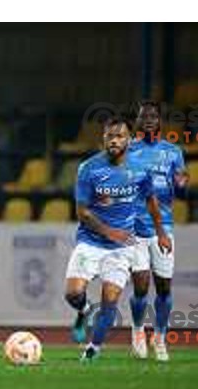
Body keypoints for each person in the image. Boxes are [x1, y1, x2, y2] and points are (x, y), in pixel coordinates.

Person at [65, 116, 171, 360]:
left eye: (119, 136)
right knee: (72, 293)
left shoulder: (140, 169)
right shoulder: (89, 169)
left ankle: (93, 350)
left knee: (110, 299)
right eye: (109, 136)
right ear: (103, 138)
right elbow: (82, 212)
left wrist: (161, 233)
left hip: (123, 248)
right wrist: (109, 231)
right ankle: (84, 309)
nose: (114, 141)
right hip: (90, 242)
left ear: (129, 140)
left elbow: (151, 201)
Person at [128, 101, 189, 361]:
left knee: (164, 288)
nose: (150, 120)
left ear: (160, 121)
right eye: (145, 117)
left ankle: (160, 337)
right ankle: (138, 331)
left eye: (154, 116)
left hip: (163, 228)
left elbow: (183, 186)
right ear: (138, 122)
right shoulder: (129, 150)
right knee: (141, 287)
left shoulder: (173, 152)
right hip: (134, 229)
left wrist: (182, 182)